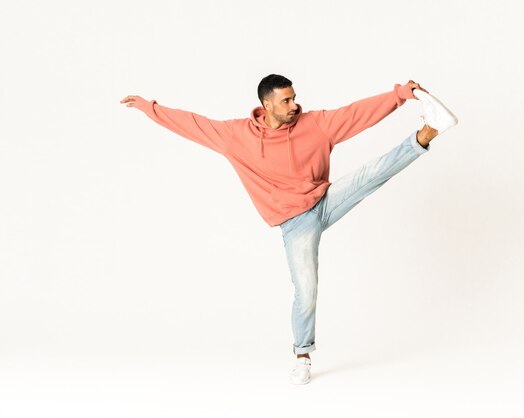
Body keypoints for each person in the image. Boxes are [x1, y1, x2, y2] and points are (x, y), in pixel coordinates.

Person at [120, 74, 457, 384]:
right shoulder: (237, 136)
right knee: (306, 290)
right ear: (266, 105)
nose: (294, 105)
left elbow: (357, 113)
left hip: (325, 199)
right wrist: (150, 108)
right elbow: (194, 125)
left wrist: (403, 94)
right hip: (295, 224)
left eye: (294, 98)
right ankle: (303, 356)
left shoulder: (316, 124)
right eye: (286, 101)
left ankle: (427, 132)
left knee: (371, 175)